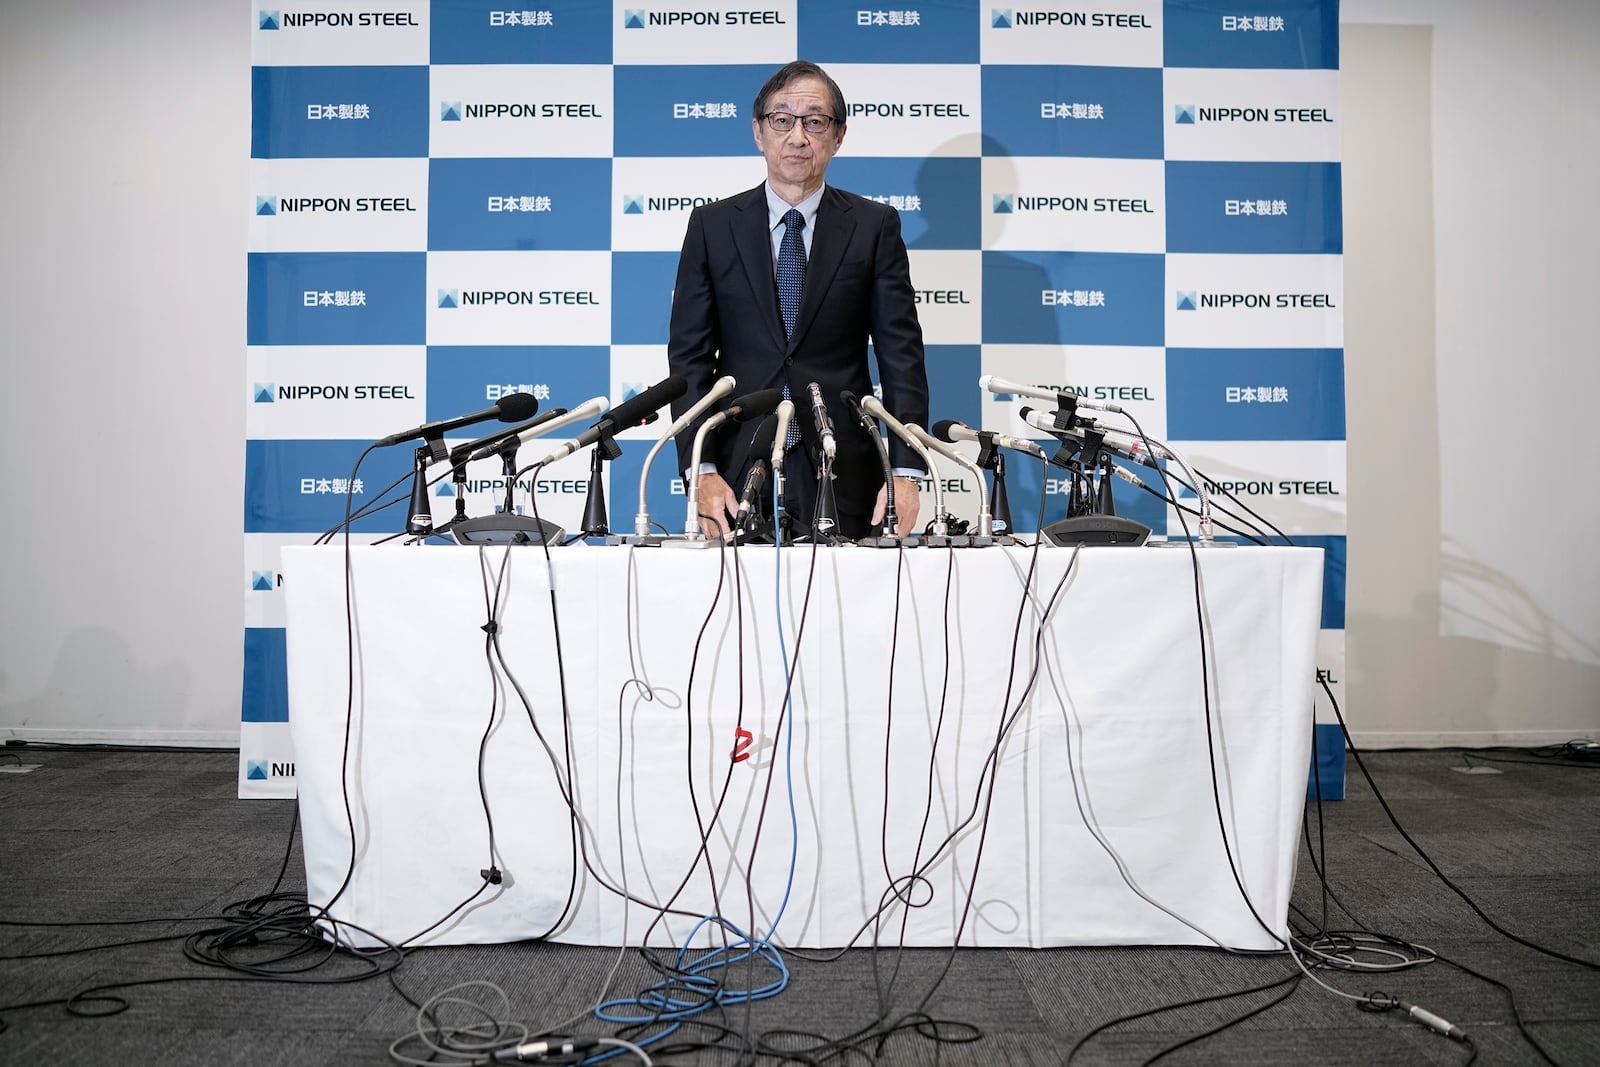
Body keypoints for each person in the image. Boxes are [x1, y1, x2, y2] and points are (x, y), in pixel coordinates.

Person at [666, 60, 929, 540]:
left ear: (838, 135)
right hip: (735, 467)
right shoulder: (712, 227)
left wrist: (907, 474)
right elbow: (690, 361)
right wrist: (699, 470)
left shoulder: (874, 227)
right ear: (758, 132)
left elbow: (901, 359)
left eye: (815, 121)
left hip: (843, 464)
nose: (797, 136)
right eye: (782, 120)